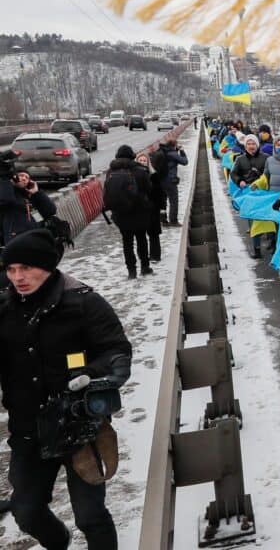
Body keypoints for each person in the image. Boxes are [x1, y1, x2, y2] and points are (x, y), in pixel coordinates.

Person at [1, 229, 132, 550]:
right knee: (26, 511)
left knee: (90, 515)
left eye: (27, 268)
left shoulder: (83, 303)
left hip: (80, 428)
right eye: (11, 269)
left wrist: (94, 374)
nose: (18, 277)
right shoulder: (4, 309)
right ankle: (59, 541)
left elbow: (116, 351)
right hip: (28, 430)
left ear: (47, 267)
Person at [104, 145, 153, 279]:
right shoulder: (141, 170)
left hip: (120, 214)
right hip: (140, 212)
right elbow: (149, 190)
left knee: (127, 242)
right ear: (132, 155)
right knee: (142, 239)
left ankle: (131, 271)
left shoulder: (110, 172)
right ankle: (145, 267)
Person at [0, 149, 56, 246]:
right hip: (16, 240)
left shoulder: (30, 195)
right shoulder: (7, 192)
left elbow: (50, 211)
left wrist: (37, 193)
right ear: (14, 177)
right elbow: (7, 201)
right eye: (21, 176)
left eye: (27, 177)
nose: (24, 179)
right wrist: (5, 179)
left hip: (36, 238)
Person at [152, 136, 188, 226]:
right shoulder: (172, 153)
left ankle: (163, 221)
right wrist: (182, 151)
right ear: (174, 144)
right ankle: (173, 221)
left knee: (163, 201)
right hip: (170, 181)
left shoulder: (161, 151)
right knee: (173, 201)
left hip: (160, 180)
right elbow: (185, 162)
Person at [136, 152, 165, 263]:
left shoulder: (154, 175)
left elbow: (160, 192)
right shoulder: (134, 176)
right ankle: (143, 257)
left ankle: (155, 256)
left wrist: (162, 207)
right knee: (141, 236)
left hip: (153, 209)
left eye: (144, 161)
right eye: (140, 161)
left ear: (148, 162)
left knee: (154, 234)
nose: (143, 162)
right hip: (140, 210)